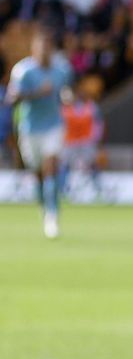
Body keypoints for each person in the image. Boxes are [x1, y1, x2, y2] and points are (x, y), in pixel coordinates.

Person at [7, 25, 75, 239]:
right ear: (34, 49)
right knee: (37, 174)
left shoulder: (61, 69)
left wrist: (67, 97)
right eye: (41, 46)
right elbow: (12, 98)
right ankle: (44, 206)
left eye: (48, 46)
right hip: (29, 128)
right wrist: (37, 93)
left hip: (53, 125)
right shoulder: (23, 71)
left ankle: (52, 217)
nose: (45, 50)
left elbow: (66, 89)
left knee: (51, 167)